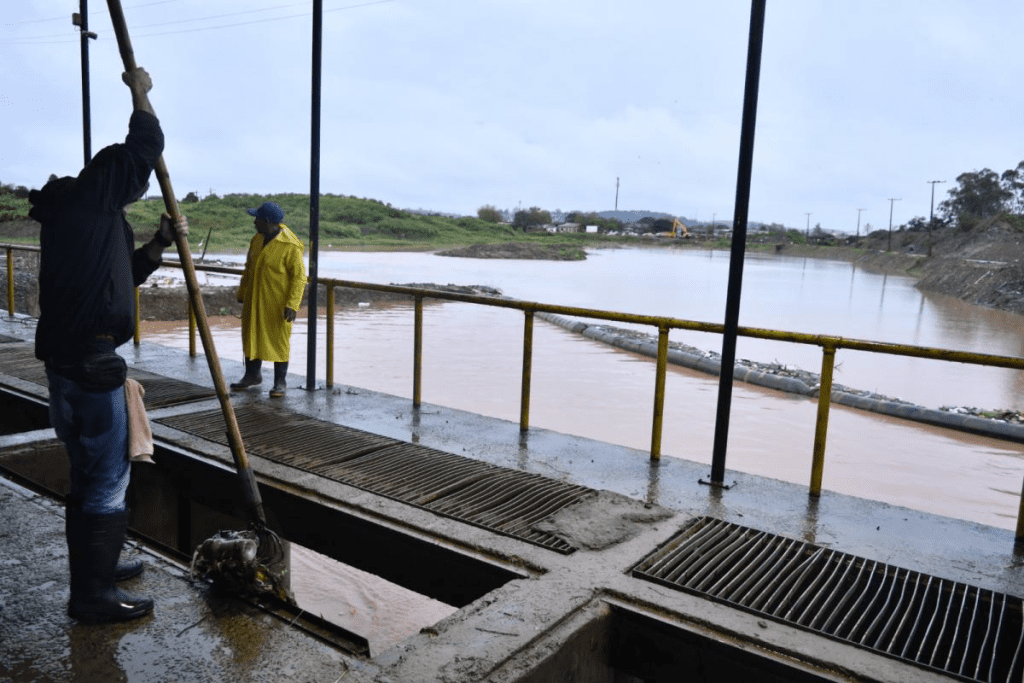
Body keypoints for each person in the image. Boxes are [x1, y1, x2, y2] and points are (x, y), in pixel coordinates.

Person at [29, 67, 188, 623]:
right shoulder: (92, 199)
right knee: (108, 479)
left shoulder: (81, 223)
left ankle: (99, 567)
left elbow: (119, 281)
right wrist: (141, 94)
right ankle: (92, 596)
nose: (134, 187)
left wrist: (157, 245)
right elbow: (142, 147)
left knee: (89, 473)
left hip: (68, 364)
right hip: (92, 370)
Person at [230, 201, 306, 398]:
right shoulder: (256, 239)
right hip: (254, 300)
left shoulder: (290, 245)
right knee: (251, 336)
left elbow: (299, 277)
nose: (254, 222)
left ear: (268, 222)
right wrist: (242, 292)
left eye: (257, 219)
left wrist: (292, 304)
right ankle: (252, 375)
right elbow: (249, 268)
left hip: (276, 303)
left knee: (278, 340)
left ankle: (280, 381)